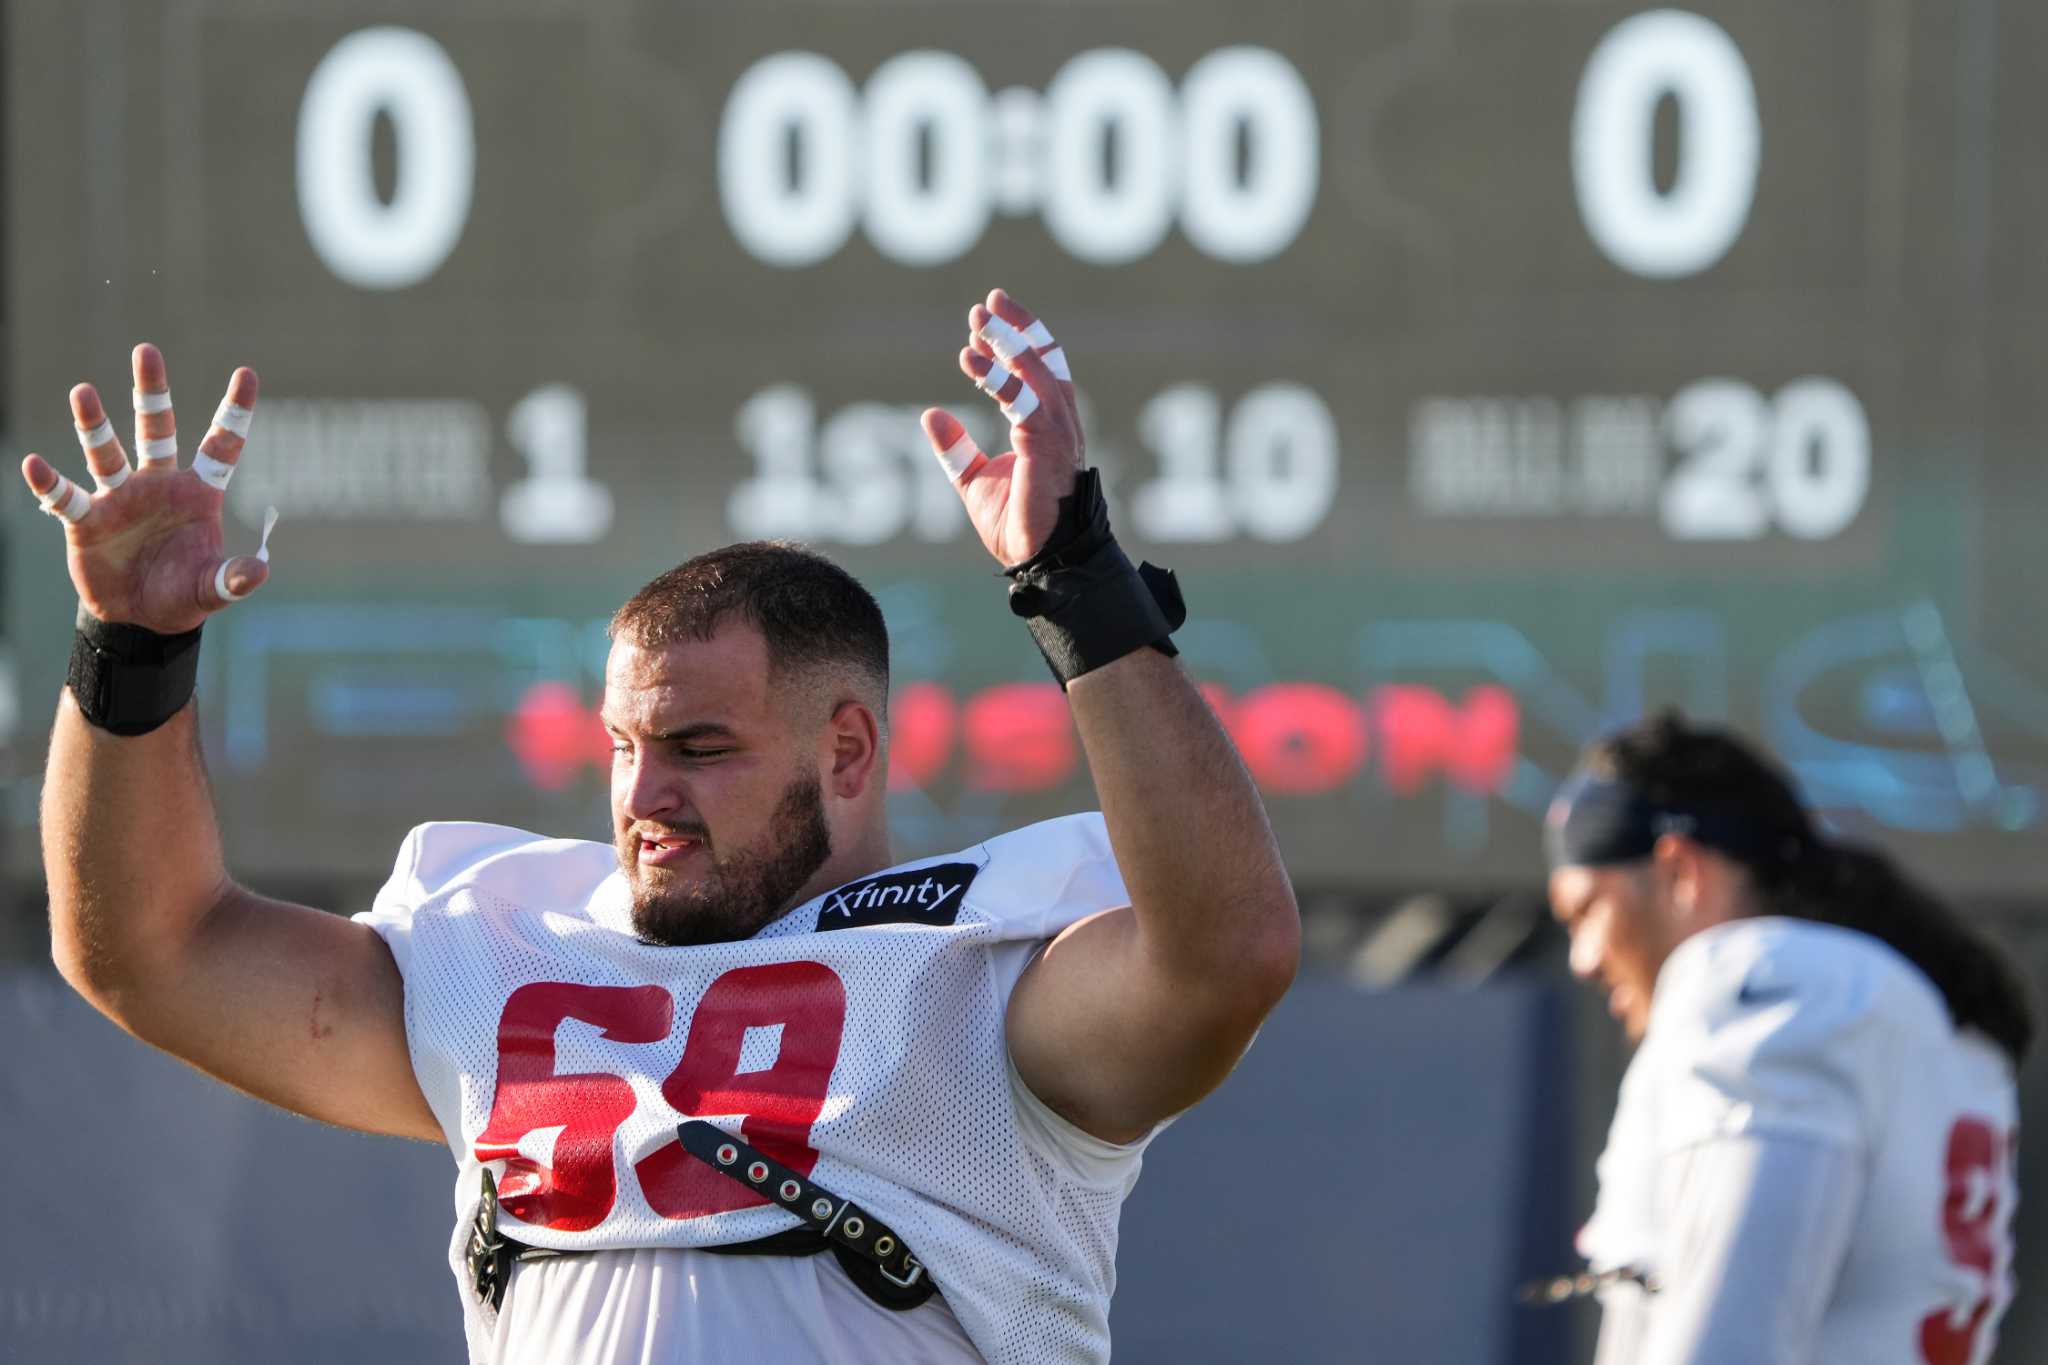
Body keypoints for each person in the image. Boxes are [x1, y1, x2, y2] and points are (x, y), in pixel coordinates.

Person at [24, 288, 1300, 1365]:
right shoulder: (504, 956)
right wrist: (132, 649)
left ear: (846, 750)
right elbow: (150, 949)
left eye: (699, 750)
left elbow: (1225, 953)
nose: (641, 798)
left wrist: (1077, 586)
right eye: (625, 748)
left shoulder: (979, 988)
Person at [1544, 711, 2032, 1365]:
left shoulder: (1774, 985)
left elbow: (1728, 1346)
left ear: (1680, 872)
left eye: (1587, 908)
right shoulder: (1921, 1022)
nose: (1582, 957)